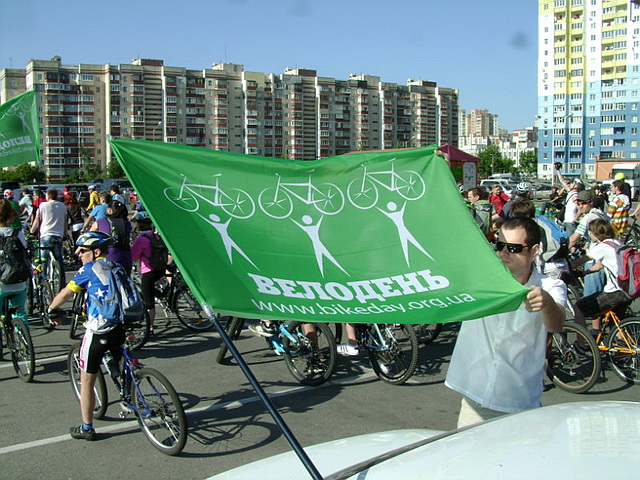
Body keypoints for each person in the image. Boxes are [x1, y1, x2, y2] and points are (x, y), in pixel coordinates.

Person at [445, 216, 566, 428]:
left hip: (520, 405)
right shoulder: (479, 279)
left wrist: (546, 303)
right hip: (475, 403)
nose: (504, 252)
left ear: (534, 251)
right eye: (500, 245)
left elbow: (556, 325)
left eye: (514, 247)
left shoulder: (550, 286)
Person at [48, 232, 125, 441]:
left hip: (99, 330)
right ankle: (128, 392)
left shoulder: (88, 269)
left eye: (82, 250)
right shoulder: (117, 267)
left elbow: (66, 292)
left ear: (96, 251)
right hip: (120, 325)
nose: (78, 254)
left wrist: (51, 309)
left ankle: (87, 428)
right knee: (121, 357)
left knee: (86, 381)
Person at [571, 218, 629, 336]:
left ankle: (582, 342)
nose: (589, 234)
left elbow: (582, 260)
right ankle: (622, 346)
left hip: (615, 291)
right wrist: (583, 273)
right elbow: (599, 265)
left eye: (590, 232)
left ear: (596, 233)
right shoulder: (617, 243)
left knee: (579, 307)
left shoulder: (603, 246)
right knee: (617, 323)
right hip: (628, 288)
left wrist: (567, 266)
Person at [131, 217, 164, 335]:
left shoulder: (141, 240)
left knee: (149, 302)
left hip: (148, 271)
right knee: (152, 290)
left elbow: (133, 256)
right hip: (160, 268)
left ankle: (150, 327)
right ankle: (162, 294)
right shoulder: (156, 236)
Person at [30, 188, 68, 291]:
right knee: (59, 259)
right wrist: (65, 234)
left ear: (48, 196)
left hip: (46, 235)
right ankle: (62, 281)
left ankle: (43, 281)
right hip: (58, 235)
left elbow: (37, 220)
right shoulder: (62, 206)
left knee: (43, 259)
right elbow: (65, 221)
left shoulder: (43, 205)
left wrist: (32, 232)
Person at [0, 199, 29, 327]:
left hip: (2, 282)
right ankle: (23, 342)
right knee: (20, 311)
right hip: (19, 280)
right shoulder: (18, 234)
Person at [92, 200, 132, 275]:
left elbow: (90, 235)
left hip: (110, 255)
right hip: (126, 256)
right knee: (125, 282)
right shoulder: (127, 223)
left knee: (109, 282)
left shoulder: (101, 221)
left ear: (110, 210)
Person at [555, 167, 583, 236]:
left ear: (576, 185)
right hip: (566, 221)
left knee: (571, 242)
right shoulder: (570, 192)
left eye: (572, 183)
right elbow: (562, 181)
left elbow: (580, 209)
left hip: (571, 222)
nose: (569, 184)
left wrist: (575, 220)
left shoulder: (575, 196)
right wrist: (558, 170)